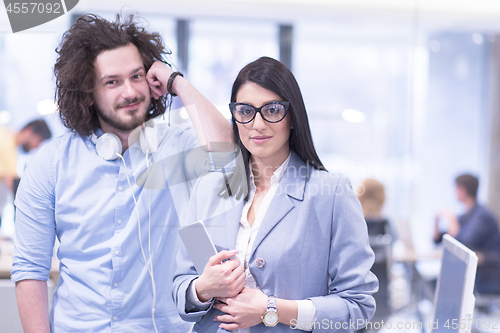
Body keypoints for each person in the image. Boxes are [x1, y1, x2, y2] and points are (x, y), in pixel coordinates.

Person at [11, 14, 233, 333]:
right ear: (88, 93)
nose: (130, 92)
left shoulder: (178, 148)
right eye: (112, 82)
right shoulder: (50, 163)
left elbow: (228, 151)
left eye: (137, 76)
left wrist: (175, 81)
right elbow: (31, 269)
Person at [173, 57, 378, 332]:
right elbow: (180, 285)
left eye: (272, 110)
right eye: (245, 111)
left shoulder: (331, 194)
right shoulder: (207, 188)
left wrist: (271, 310)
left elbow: (357, 307)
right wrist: (202, 289)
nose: (257, 124)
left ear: (293, 117)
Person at [433, 174, 500, 294]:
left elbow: (464, 243)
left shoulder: (482, 216)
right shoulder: (466, 215)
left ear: (463, 190)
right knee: (434, 282)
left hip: (486, 274)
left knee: (437, 285)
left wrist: (452, 221)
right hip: (472, 272)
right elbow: (440, 240)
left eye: (456, 189)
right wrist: (436, 221)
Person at [0, 119, 51, 226]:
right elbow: (14, 186)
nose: (37, 146)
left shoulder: (6, 136)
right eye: (39, 140)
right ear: (28, 132)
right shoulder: (5, 143)